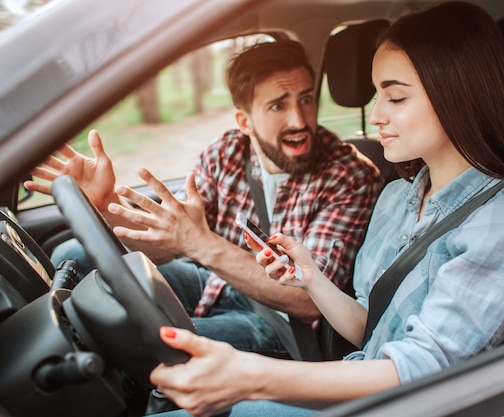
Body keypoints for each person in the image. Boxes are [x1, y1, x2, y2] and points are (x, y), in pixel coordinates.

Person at [145, 2, 504, 416]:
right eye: (377, 94)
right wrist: (312, 279)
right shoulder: (397, 198)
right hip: (364, 390)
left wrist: (255, 376)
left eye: (396, 97)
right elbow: (371, 326)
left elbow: (424, 371)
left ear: (459, 96)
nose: (376, 114)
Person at [24, 39, 384, 360]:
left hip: (284, 326)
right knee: (71, 255)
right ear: (245, 121)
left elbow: (308, 302)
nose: (299, 120)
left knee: (135, 338)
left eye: (306, 99)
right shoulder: (228, 151)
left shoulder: (351, 176)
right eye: (278, 105)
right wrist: (102, 208)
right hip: (214, 284)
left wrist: (200, 243)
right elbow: (171, 241)